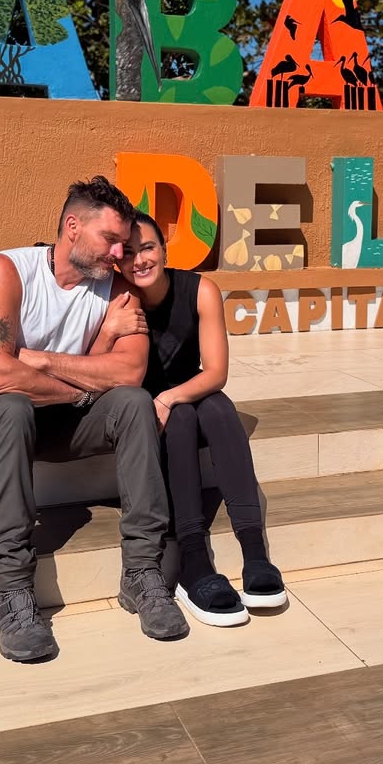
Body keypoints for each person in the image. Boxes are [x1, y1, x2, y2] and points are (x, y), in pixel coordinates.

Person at [0, 177, 190, 662]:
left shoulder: (117, 289)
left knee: (133, 403)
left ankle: (143, 572)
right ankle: (12, 592)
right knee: (11, 406)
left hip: (64, 420)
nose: (119, 253)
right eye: (110, 239)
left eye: (124, 242)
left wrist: (38, 360)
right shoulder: (6, 271)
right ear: (72, 227)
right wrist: (82, 386)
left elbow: (129, 372)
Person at [118, 212, 286, 627]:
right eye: (129, 253)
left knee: (219, 407)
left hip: (185, 392)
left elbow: (216, 372)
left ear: (164, 250)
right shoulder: (117, 299)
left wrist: (169, 397)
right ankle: (192, 560)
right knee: (181, 420)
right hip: (142, 408)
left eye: (148, 248)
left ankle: (255, 554)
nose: (140, 260)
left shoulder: (200, 290)